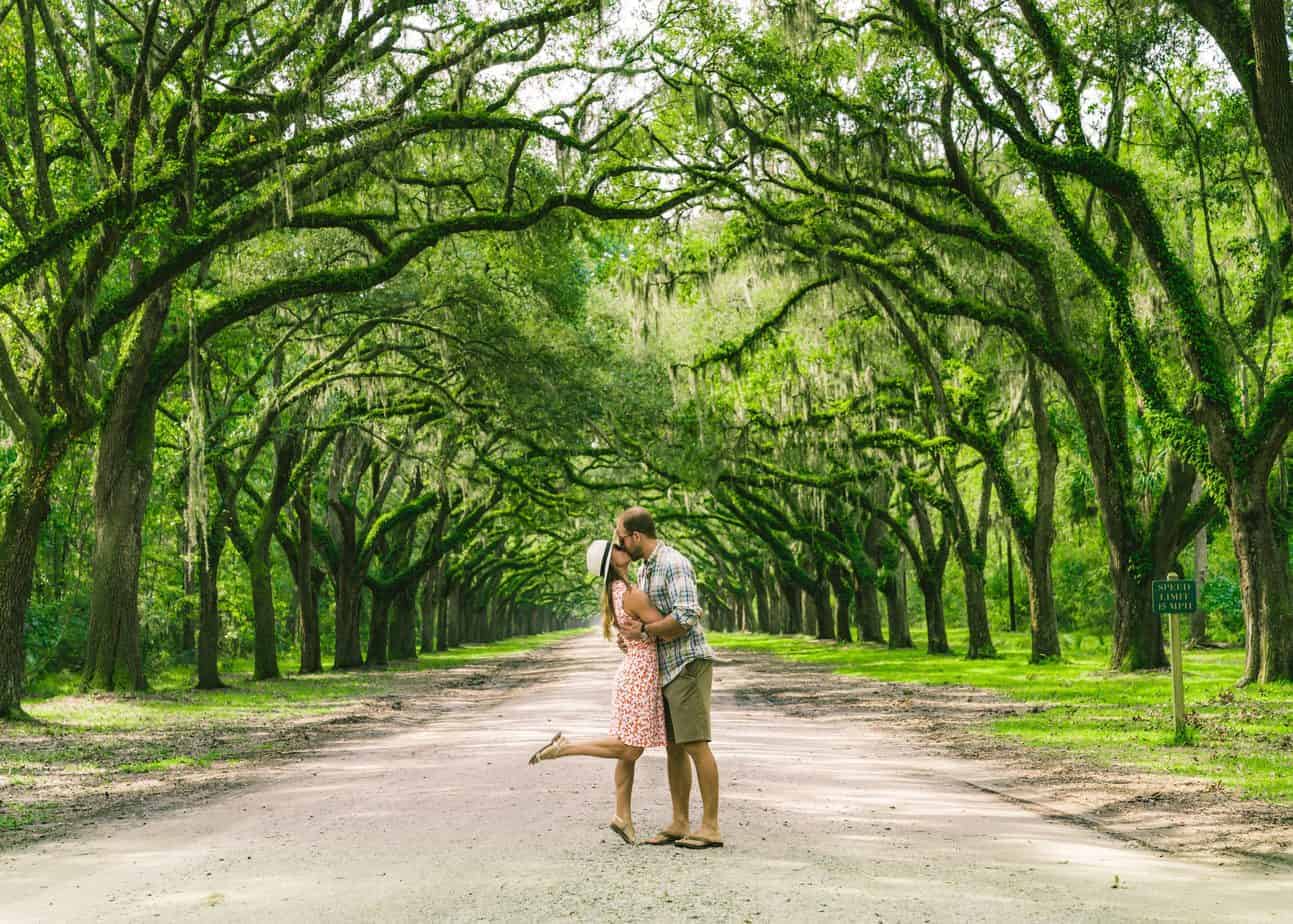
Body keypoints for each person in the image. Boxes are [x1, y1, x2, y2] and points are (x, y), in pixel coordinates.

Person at [527, 537, 667, 845]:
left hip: (633, 670)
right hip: (640, 674)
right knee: (630, 748)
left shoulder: (618, 592)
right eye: (617, 548)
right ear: (614, 562)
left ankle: (622, 816)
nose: (623, 548)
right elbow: (665, 628)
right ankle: (565, 747)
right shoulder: (631, 594)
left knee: (628, 752)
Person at [614, 506, 722, 849]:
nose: (618, 543)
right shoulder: (646, 570)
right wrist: (633, 635)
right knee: (674, 747)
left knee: (695, 743)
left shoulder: (673, 563)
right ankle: (679, 821)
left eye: (620, 536)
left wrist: (645, 629)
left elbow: (688, 615)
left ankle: (710, 826)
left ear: (636, 536)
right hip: (665, 667)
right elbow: (648, 625)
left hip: (687, 663)